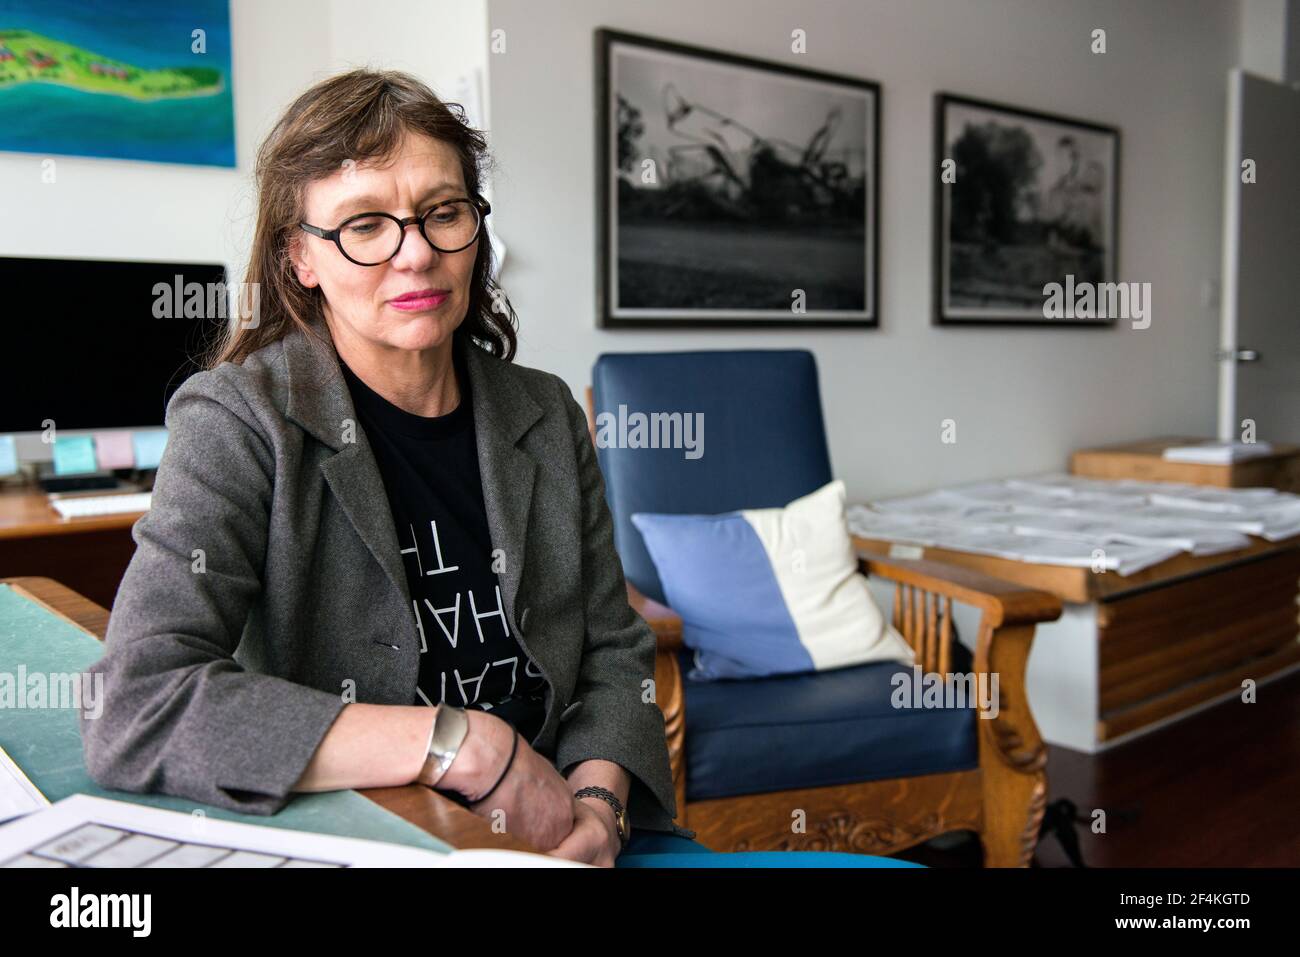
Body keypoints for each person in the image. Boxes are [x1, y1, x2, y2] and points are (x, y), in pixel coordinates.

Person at [78, 68, 693, 867]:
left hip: (567, 834)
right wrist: (462, 742)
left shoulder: (546, 413)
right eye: (365, 225)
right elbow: (136, 704)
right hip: (375, 844)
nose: (417, 255)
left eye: (444, 213)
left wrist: (599, 807)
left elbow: (615, 651)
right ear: (300, 257)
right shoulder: (239, 419)